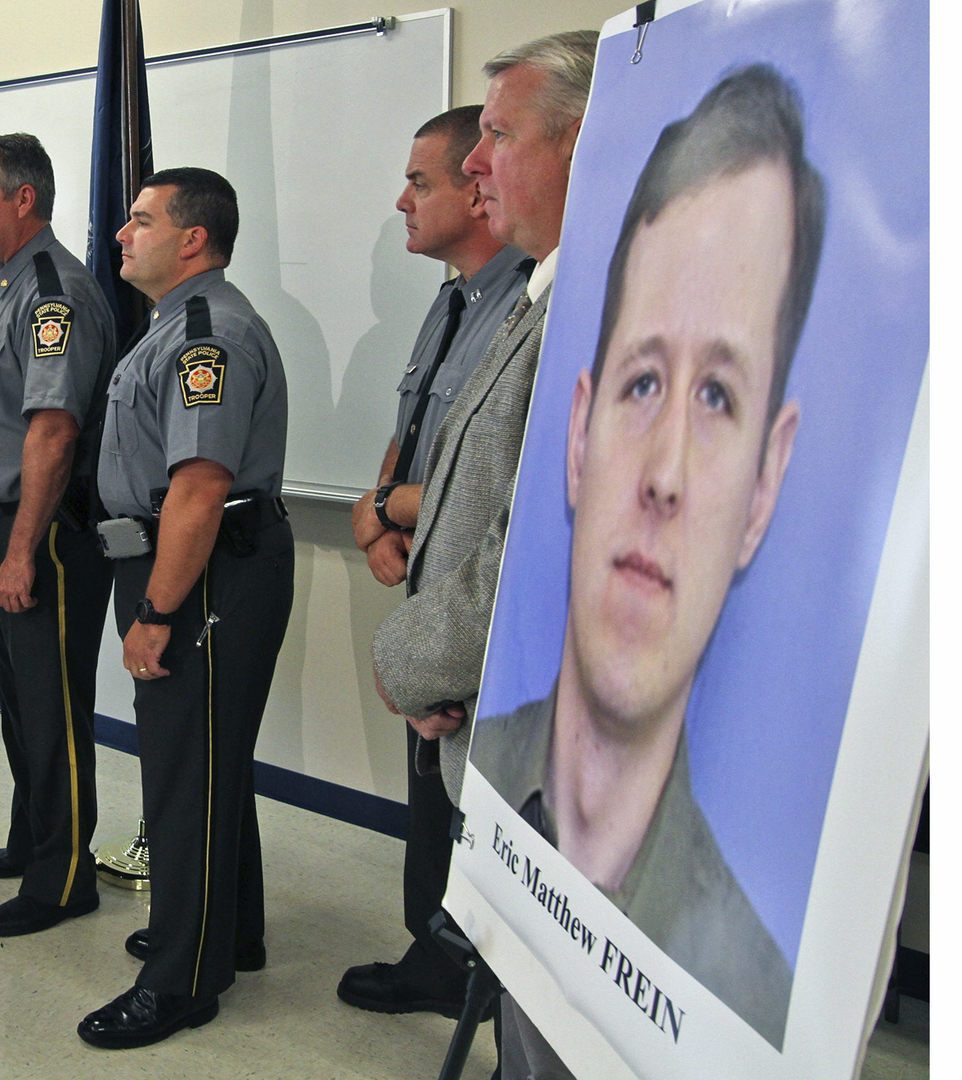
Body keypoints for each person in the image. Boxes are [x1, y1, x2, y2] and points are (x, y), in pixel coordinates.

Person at [470, 63, 823, 1054]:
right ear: (576, 431)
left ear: (764, 489)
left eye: (718, 397)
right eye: (641, 382)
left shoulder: (752, 992)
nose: (664, 477)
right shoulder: (500, 777)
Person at [366, 30, 595, 1079]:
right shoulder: (534, 296)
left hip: (530, 740)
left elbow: (534, 546)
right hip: (479, 705)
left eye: (496, 136)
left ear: (585, 142)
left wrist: (422, 662)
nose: (471, 165)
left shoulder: (587, 312)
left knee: (552, 1028)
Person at [77, 167, 292, 1050]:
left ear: (193, 238)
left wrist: (158, 611)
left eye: (140, 220)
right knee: (209, 760)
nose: (122, 234)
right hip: (190, 563)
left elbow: (199, 491)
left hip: (202, 571)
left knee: (183, 772)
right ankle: (227, 929)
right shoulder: (173, 325)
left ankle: (180, 979)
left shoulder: (207, 335)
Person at [338, 105, 532, 1019]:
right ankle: (435, 953)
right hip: (424, 584)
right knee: (428, 800)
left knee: (469, 804)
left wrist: (384, 507)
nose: (403, 201)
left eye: (422, 182)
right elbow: (417, 430)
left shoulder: (527, 303)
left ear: (478, 190)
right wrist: (382, 518)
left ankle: (471, 972)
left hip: (477, 599)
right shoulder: (451, 298)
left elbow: (495, 486)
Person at [0, 133, 119, 937]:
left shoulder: (54, 292)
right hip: (11, 518)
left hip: (47, 535)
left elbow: (51, 431)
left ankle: (65, 878)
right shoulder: (10, 282)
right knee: (22, 702)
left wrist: (20, 546)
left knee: (52, 708)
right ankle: (32, 839)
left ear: (24, 198)